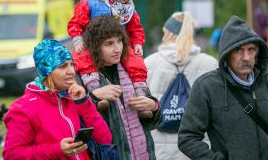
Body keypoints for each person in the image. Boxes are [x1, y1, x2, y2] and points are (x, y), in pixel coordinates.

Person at [67, 0, 151, 118]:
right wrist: (78, 40)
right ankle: (94, 89)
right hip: (93, 45)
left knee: (135, 59)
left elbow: (136, 28)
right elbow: (75, 22)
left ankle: (141, 95)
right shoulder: (91, 1)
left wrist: (138, 43)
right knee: (82, 57)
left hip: (121, 46)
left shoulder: (128, 9)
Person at [3, 39, 112, 160]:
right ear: (47, 71)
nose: (71, 71)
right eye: (63, 66)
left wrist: (83, 102)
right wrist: (57, 150)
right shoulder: (24, 108)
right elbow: (11, 155)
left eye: (72, 64)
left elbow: (105, 139)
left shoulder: (73, 97)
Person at [178, 16, 268, 160]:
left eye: (251, 50)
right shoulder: (207, 87)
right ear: (227, 53)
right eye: (239, 50)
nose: (246, 57)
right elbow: (187, 138)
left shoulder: (265, 80)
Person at [77, 16, 160, 160]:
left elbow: (154, 123)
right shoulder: (82, 77)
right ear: (95, 46)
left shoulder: (132, 71)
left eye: (119, 41)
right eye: (109, 43)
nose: (117, 49)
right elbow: (74, 124)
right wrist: (93, 97)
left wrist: (153, 106)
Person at [144, 12, 218, 160]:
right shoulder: (210, 63)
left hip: (160, 152)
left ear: (168, 33)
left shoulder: (148, 64)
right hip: (198, 150)